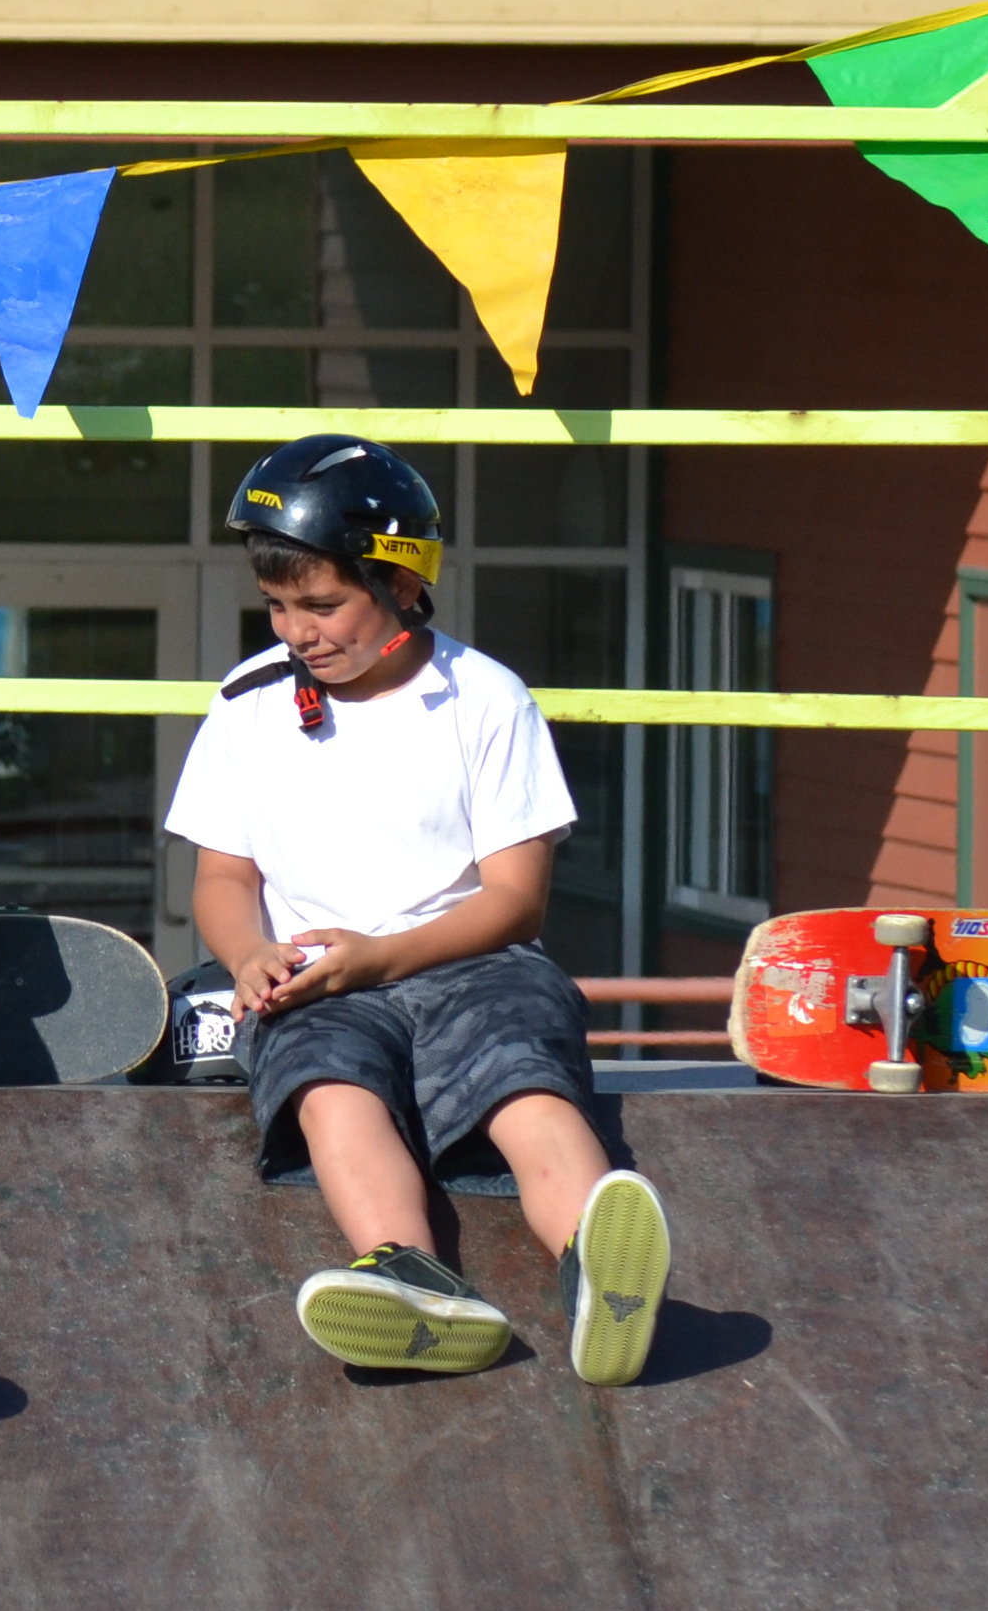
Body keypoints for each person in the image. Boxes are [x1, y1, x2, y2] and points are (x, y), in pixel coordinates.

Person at [171, 433, 672, 1385]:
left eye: (323, 605)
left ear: (401, 586)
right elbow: (223, 876)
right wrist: (246, 955)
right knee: (330, 1089)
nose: (295, 631)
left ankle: (598, 1264)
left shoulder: (484, 699)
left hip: (472, 959)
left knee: (521, 1081)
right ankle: (410, 1275)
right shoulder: (245, 706)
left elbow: (518, 902)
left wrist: (385, 955)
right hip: (319, 976)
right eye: (277, 606)